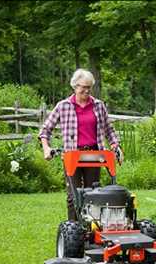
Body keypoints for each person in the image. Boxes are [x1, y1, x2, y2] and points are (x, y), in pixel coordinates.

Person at [39, 68, 123, 221]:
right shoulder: (63, 106)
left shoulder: (98, 105)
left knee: (94, 195)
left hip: (94, 155)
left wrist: (115, 146)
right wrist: (46, 148)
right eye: (83, 87)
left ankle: (91, 230)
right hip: (72, 155)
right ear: (75, 86)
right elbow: (45, 130)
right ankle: (74, 231)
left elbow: (109, 130)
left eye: (89, 87)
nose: (86, 91)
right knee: (73, 196)